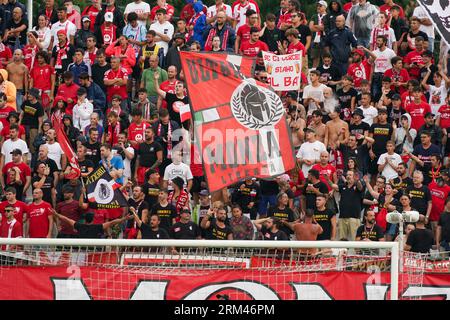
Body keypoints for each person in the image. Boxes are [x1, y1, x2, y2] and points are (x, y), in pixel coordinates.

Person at [52, 210, 130, 239]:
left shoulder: (79, 226)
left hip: (81, 250)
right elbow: (112, 222)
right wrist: (124, 219)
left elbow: (66, 219)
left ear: (85, 219)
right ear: (93, 219)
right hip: (94, 250)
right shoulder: (98, 227)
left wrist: (56, 214)